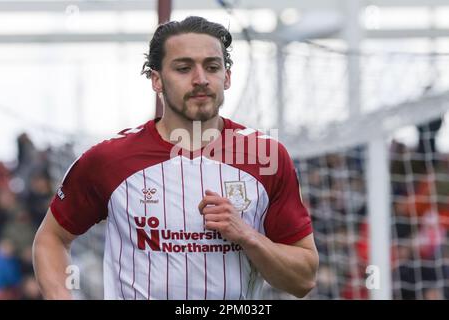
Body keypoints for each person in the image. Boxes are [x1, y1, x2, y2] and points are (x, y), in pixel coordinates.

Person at [33, 16, 318, 300]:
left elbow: (303, 279)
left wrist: (247, 235)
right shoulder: (109, 159)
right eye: (183, 68)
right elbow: (51, 239)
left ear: (227, 77)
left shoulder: (266, 156)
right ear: (156, 80)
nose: (201, 79)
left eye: (212, 67)